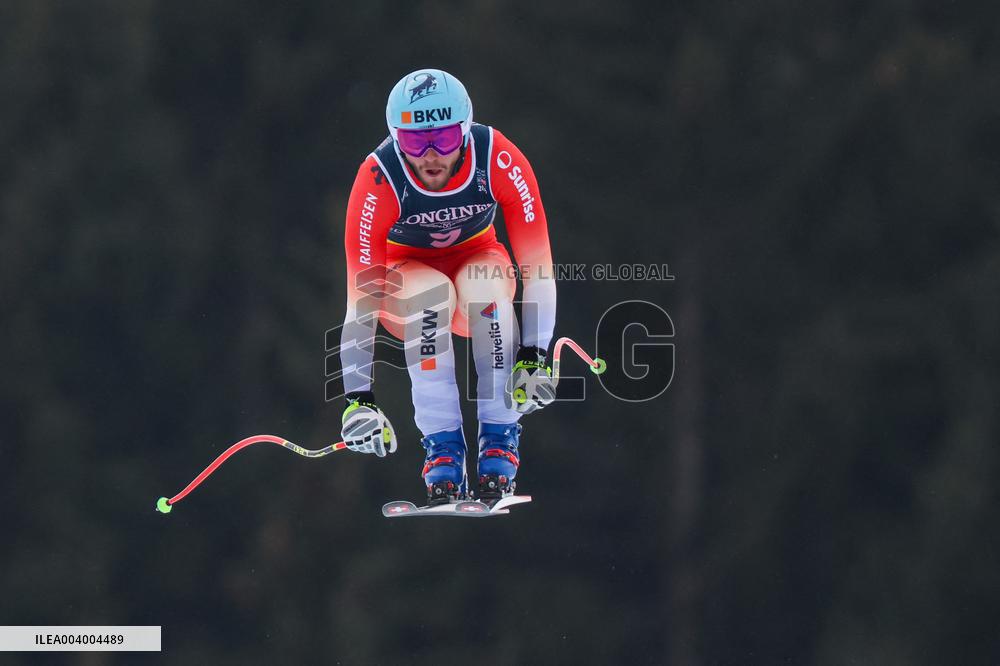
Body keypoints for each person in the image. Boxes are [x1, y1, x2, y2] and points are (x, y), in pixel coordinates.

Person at [338, 68, 556, 504]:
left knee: (485, 290)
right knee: (429, 296)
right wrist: (357, 401)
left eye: (445, 138)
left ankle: (499, 443)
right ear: (396, 138)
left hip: (478, 260)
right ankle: (443, 453)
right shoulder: (378, 179)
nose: (431, 156)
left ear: (466, 130)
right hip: (408, 276)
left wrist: (535, 354)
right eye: (416, 142)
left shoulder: (497, 157)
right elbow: (360, 305)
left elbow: (538, 268)